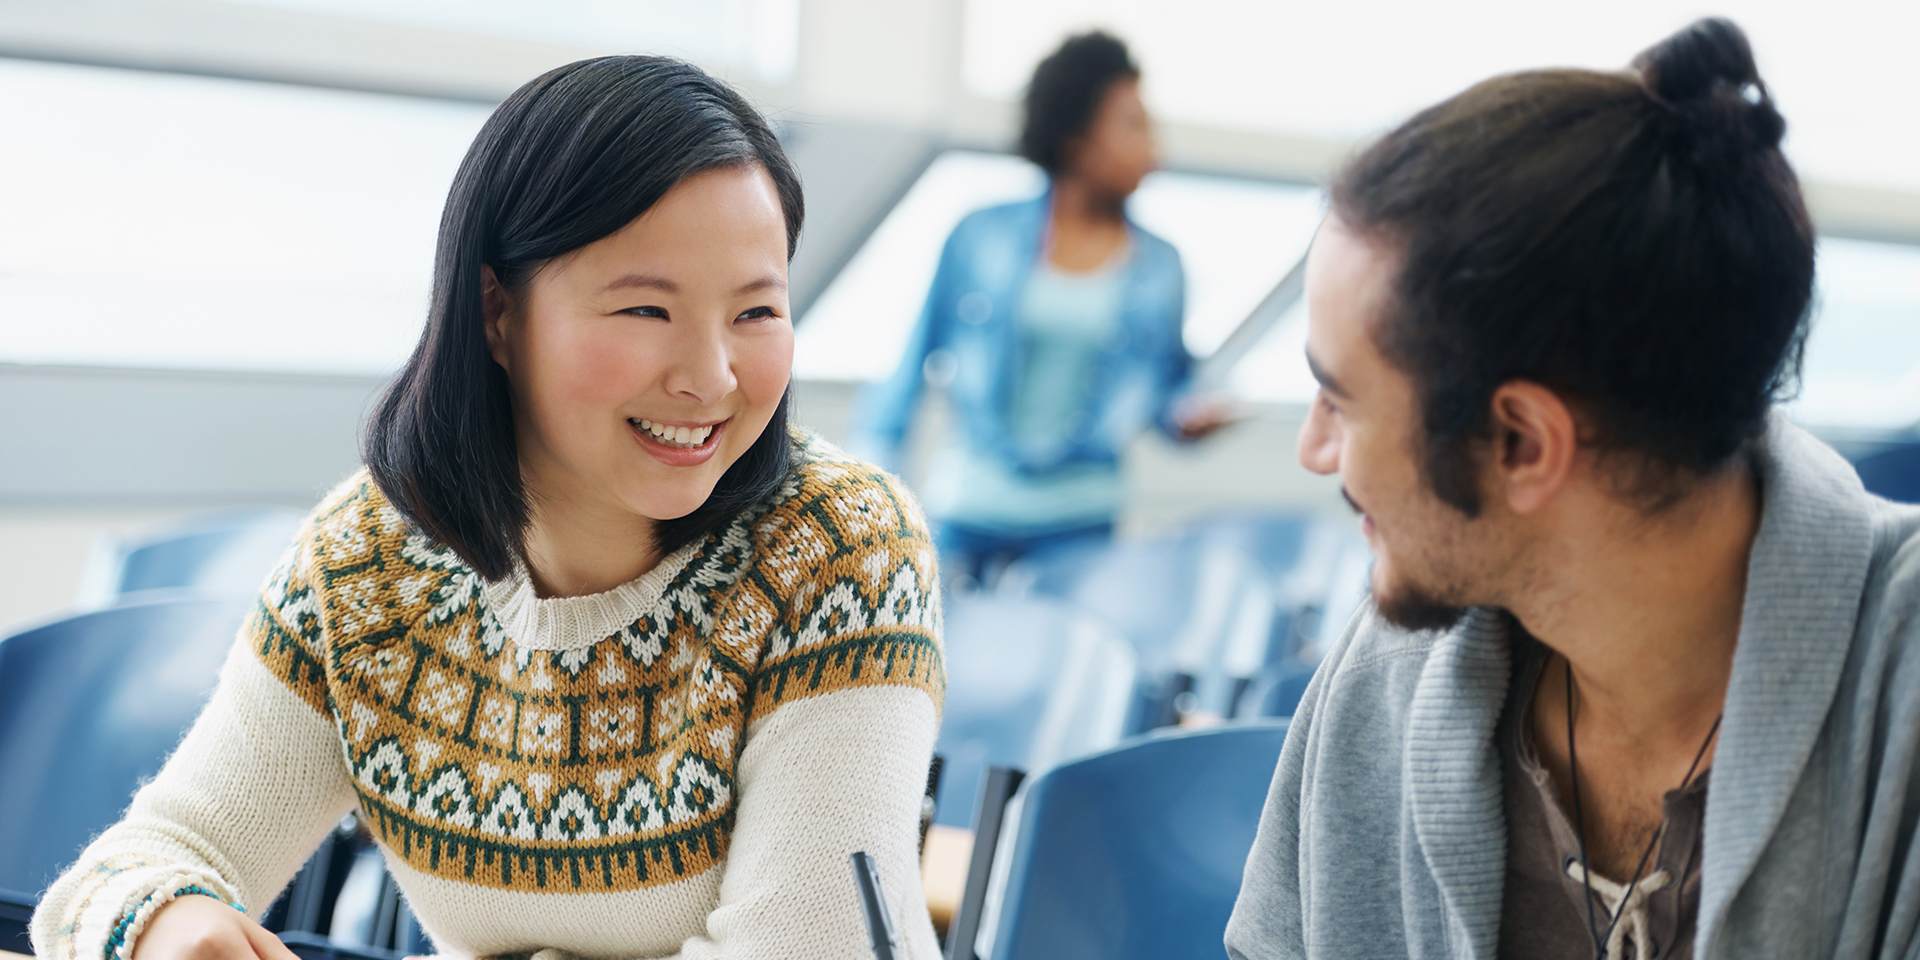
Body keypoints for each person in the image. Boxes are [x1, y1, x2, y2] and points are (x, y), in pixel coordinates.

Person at [32, 57, 945, 960]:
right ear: (497, 311)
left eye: (756, 313)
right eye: (644, 312)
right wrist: (164, 925)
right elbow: (136, 864)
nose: (711, 377)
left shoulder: (841, 550)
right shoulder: (371, 562)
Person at [1226, 18, 1918, 960]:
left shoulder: (1900, 700)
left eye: (1341, 403)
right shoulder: (1388, 672)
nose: (1315, 451)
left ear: (1522, 442)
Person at [850, 31, 1230, 591]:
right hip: (967, 511)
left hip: (1082, 523)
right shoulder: (980, 236)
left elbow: (1168, 390)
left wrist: (1188, 417)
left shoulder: (1162, 267)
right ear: (1077, 139)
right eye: (1133, 125)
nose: (1155, 150)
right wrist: (867, 502)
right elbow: (909, 371)